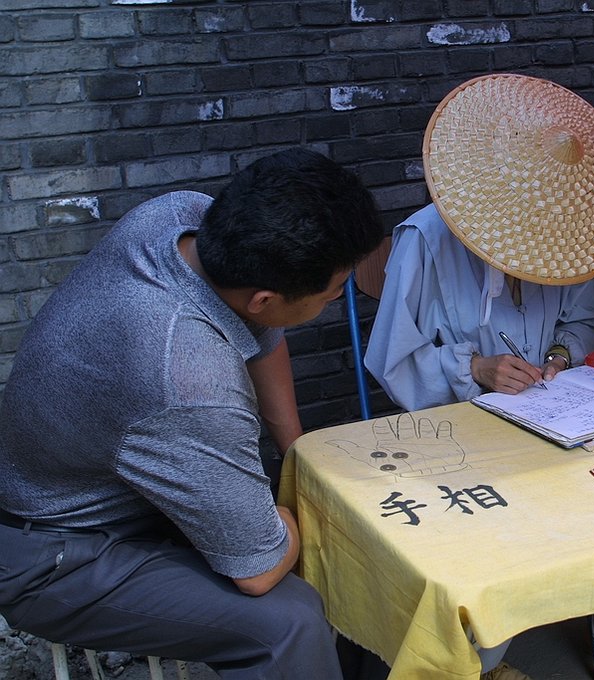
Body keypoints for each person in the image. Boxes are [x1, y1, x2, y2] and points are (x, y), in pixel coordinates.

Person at [0, 148, 384, 679]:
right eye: (333, 292)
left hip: (119, 488)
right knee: (288, 619)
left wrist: (300, 456)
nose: (338, 297)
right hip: (53, 553)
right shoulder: (189, 381)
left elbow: (263, 333)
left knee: (340, 541)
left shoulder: (182, 217)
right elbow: (259, 572)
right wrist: (309, 518)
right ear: (264, 298)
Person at [365, 74, 594, 680]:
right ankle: (478, 659)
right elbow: (393, 362)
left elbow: (584, 318)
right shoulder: (426, 240)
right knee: (507, 513)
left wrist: (561, 355)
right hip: (458, 421)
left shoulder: (566, 227)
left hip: (551, 404)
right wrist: (473, 368)